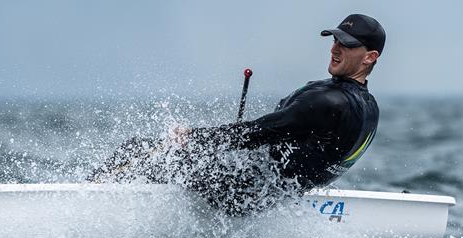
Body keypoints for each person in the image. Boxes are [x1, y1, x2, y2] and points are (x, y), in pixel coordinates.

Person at [88, 14, 385, 214]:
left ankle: (86, 203)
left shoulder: (329, 101)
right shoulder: (369, 107)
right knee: (183, 158)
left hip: (242, 194)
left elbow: (255, 133)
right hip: (273, 198)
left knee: (140, 149)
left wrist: (192, 138)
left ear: (370, 57)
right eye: (334, 39)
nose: (335, 47)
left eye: (347, 44)